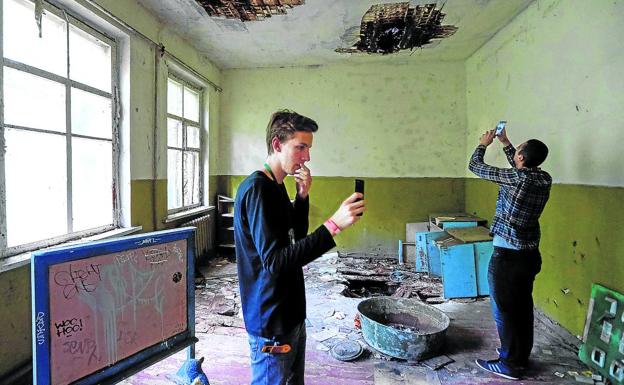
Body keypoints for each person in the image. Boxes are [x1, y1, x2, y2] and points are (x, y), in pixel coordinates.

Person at [234, 110, 365, 385]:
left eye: (308, 148)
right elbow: (275, 261)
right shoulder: (257, 189)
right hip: (270, 321)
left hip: (290, 313)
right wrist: (333, 225)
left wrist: (302, 198)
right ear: (277, 145)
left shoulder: (277, 185)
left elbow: (295, 238)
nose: (307, 157)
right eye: (300, 147)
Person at [468, 126, 551, 381]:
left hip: (507, 256)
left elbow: (475, 166)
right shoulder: (543, 177)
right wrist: (505, 143)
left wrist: (483, 144)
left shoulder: (517, 179)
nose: (515, 153)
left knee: (504, 310)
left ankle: (509, 364)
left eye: (518, 150)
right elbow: (520, 169)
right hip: (529, 255)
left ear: (522, 158)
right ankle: (518, 354)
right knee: (523, 308)